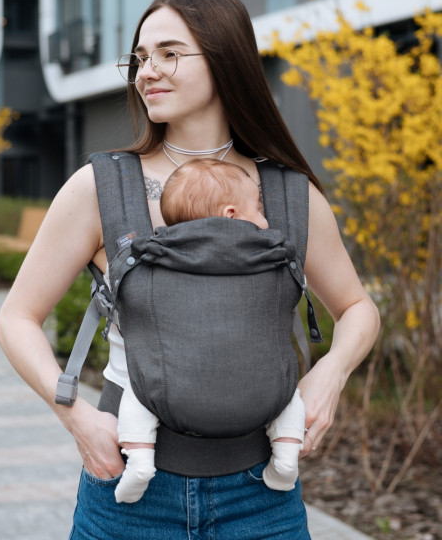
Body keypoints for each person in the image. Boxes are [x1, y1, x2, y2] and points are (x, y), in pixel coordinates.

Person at [0, 0, 380, 539]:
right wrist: (75, 417)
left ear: (226, 59)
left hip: (262, 497)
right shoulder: (101, 187)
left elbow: (357, 307)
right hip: (129, 492)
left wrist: (331, 375)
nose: (147, 71)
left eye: (169, 54)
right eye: (140, 58)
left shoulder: (288, 194)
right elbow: (15, 317)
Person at [115, 158, 306, 504]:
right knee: (288, 394)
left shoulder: (159, 254)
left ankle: (140, 460)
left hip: (169, 391)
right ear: (231, 213)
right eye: (259, 209)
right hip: (258, 393)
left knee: (137, 389)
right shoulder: (269, 254)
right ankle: (286, 457)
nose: (264, 219)